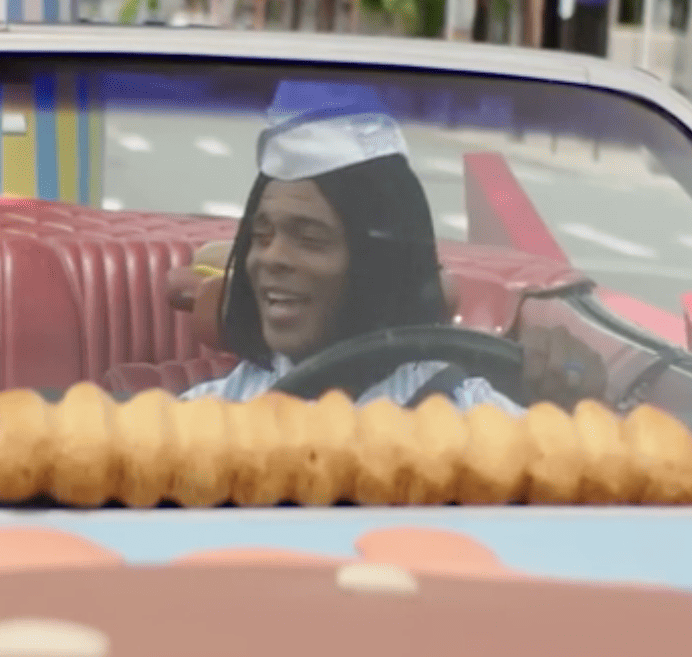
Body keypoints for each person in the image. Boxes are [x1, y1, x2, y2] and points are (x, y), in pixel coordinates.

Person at [182, 81, 606, 413]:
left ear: (375, 263)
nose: (271, 258)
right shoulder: (220, 408)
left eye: (309, 238)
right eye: (261, 237)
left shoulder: (468, 416)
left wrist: (573, 396)